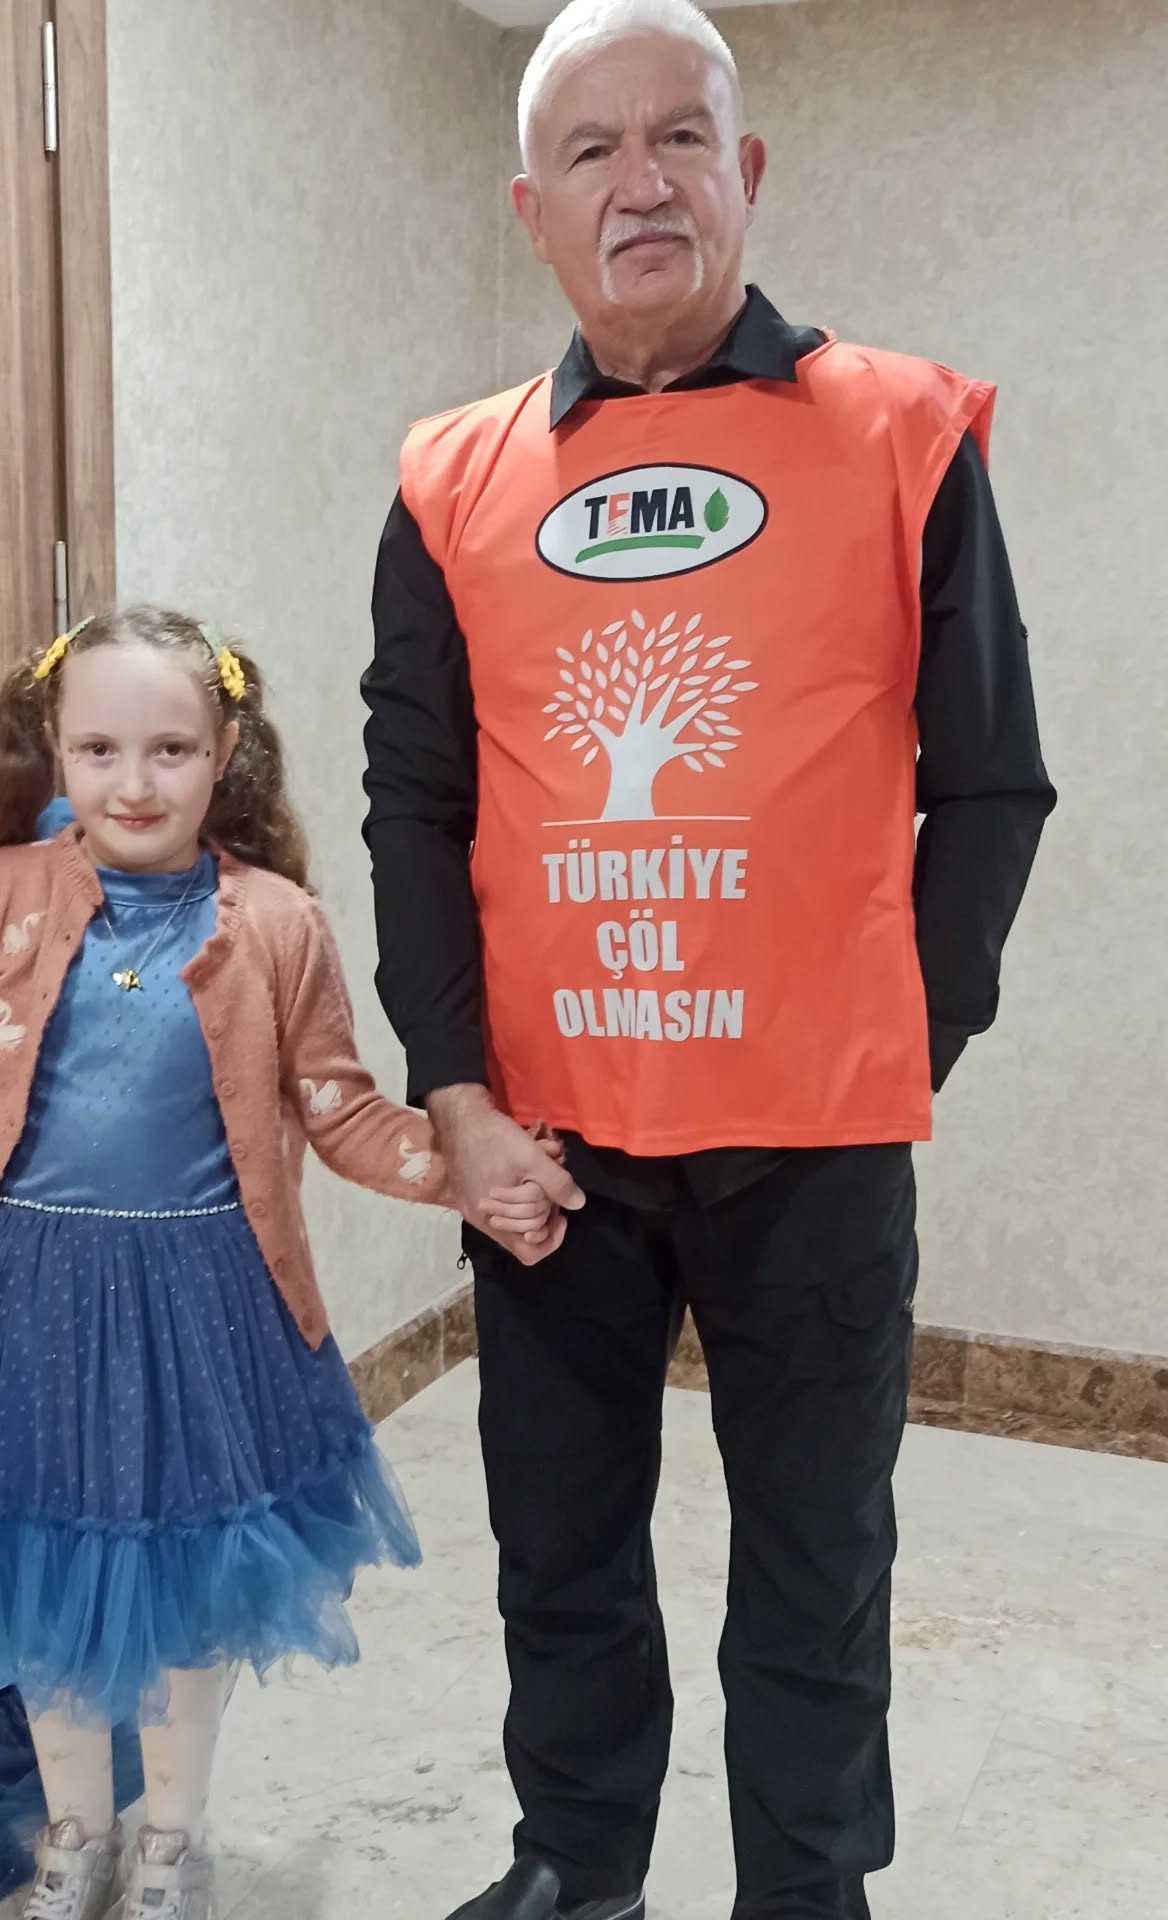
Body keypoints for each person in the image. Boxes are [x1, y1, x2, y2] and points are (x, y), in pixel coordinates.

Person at [361, 3, 1056, 1917]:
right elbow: (416, 807)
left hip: (813, 1149)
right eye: (590, 149)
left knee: (815, 1571)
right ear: (533, 211)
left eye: (680, 136)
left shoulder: (902, 434)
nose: (641, 180)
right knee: (559, 1549)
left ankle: (804, 1893)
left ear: (744, 172)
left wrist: (900, 1032)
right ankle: (575, 1870)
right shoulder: (451, 479)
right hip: (548, 1151)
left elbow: (993, 783)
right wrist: (456, 1094)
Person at [0, 604, 552, 1920]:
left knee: (190, 1589)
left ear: (225, 751)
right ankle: (77, 1831)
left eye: (171, 750)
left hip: (205, 1316)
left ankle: (171, 1843)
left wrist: (464, 1168)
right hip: (15, 1308)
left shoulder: (278, 924)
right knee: (45, 1581)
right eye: (99, 750)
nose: (133, 784)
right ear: (54, 745)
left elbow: (340, 1111)